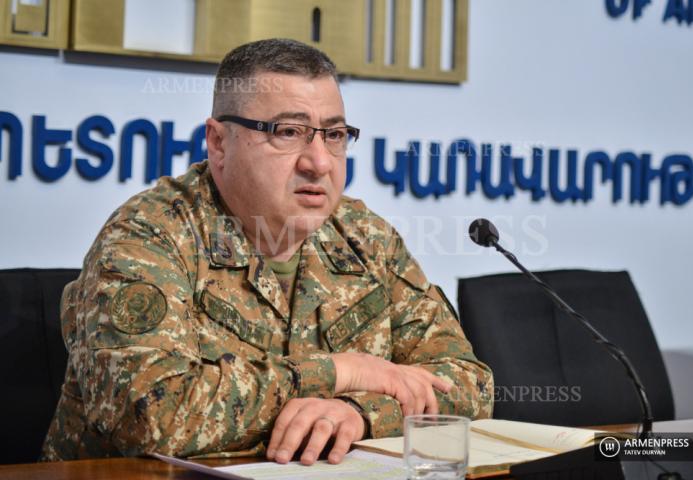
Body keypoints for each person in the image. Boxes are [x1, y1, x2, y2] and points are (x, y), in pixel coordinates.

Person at [41, 38, 493, 465]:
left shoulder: (367, 238)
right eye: (289, 132)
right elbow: (149, 416)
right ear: (218, 142)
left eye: (334, 135)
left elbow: (469, 386)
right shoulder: (150, 235)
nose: (318, 161)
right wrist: (341, 372)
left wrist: (360, 414)